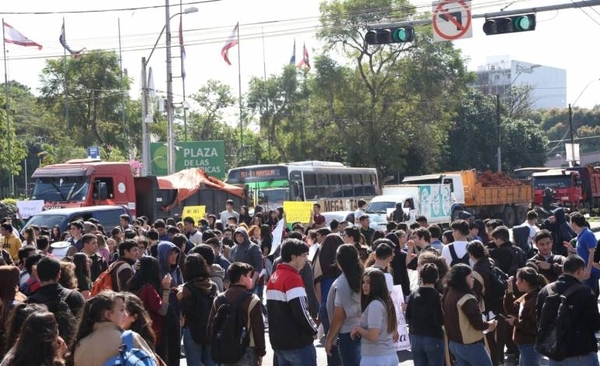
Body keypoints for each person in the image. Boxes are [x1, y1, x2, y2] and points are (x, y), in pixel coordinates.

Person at [536, 255, 600, 365]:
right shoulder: (585, 292)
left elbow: (539, 320)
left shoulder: (545, 291)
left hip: (555, 353)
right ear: (580, 271)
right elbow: (595, 325)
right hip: (581, 353)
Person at [70, 291, 158, 366]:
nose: (126, 314)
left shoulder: (80, 345)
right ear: (108, 314)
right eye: (121, 310)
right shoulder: (130, 338)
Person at [267, 239, 318, 366]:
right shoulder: (293, 277)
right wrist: (313, 330)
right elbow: (300, 310)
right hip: (297, 343)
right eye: (304, 255)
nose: (306, 259)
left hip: (279, 343)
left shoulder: (275, 276)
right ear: (293, 257)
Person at [208, 262, 265, 365]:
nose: (251, 279)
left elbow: (210, 327)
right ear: (242, 278)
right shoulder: (252, 299)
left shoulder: (219, 299)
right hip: (246, 350)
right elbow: (258, 329)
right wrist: (261, 351)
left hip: (224, 349)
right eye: (249, 276)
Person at [442, 263, 497, 366]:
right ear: (462, 279)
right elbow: (477, 324)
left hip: (454, 344)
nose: (473, 280)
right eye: (470, 277)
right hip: (470, 346)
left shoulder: (449, 293)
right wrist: (490, 325)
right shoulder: (467, 298)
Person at [325, 244, 364, 366]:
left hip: (348, 334)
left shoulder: (342, 283)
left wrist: (329, 338)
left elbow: (339, 316)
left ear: (339, 261)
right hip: (367, 330)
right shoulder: (365, 276)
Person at [350, 268, 398, 366]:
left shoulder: (375, 305)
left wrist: (358, 329)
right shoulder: (386, 303)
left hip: (375, 358)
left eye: (369, 282)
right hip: (389, 355)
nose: (364, 285)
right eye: (363, 282)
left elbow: (373, 336)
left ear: (377, 284)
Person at [179, 253, 218, 366]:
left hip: (192, 329)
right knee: (211, 363)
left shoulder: (187, 288)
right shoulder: (213, 286)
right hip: (210, 329)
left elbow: (185, 309)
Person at [503, 267, 546, 366]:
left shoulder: (535, 300)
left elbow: (534, 326)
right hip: (524, 345)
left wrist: (516, 322)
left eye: (518, 280)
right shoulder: (527, 297)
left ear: (525, 281)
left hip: (530, 345)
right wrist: (509, 291)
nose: (516, 283)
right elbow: (511, 309)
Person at [406, 263, 445, 366]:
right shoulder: (438, 297)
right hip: (433, 337)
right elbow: (440, 319)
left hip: (416, 337)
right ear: (436, 278)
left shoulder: (413, 295)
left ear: (421, 277)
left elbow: (408, 316)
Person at [0, 311, 66, 366]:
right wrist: (60, 357)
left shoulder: (11, 360)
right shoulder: (54, 363)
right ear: (51, 335)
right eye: (56, 328)